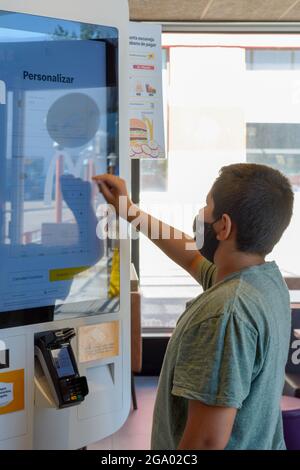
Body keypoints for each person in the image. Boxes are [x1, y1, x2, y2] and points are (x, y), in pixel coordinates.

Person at [93, 163, 294, 450]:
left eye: (206, 206)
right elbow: (192, 259)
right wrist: (130, 212)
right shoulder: (265, 283)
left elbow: (206, 442)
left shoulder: (226, 313)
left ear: (223, 226)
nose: (200, 214)